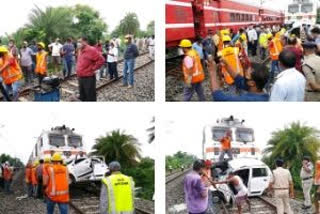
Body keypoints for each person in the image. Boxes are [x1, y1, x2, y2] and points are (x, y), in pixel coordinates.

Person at [76, 36, 105, 101]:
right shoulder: (80, 50)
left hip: (88, 78)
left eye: (80, 42)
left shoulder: (91, 50)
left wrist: (93, 68)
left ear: (85, 42)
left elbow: (101, 60)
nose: (78, 43)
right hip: (80, 77)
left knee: (90, 97)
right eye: (77, 42)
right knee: (82, 96)